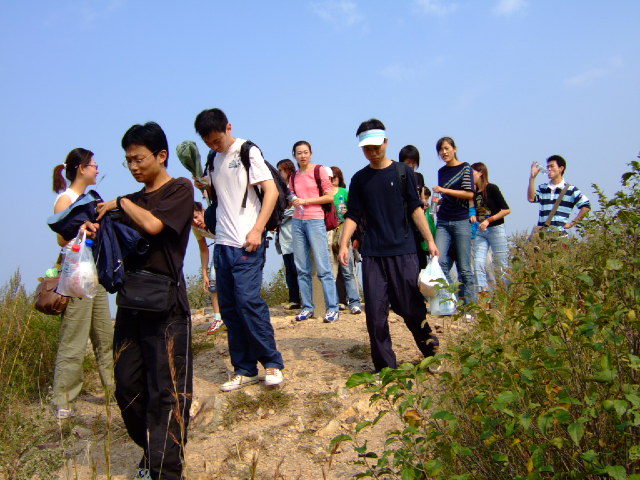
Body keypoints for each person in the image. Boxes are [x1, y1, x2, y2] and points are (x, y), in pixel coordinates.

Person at [92, 122, 194, 480]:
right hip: (130, 304)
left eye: (139, 159)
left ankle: (165, 470)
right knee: (128, 387)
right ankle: (151, 452)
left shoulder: (180, 189)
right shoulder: (130, 202)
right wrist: (96, 227)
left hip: (167, 307)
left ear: (161, 155)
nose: (134, 167)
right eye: (129, 161)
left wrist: (121, 203)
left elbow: (153, 226)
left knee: (168, 391)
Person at [338, 119, 440, 372]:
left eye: (376, 146)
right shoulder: (359, 179)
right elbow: (353, 214)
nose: (372, 152)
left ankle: (431, 352)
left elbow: (415, 209)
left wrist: (429, 240)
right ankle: (385, 368)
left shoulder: (403, 173)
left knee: (411, 309)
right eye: (367, 149)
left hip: (404, 251)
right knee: (375, 314)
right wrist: (344, 244)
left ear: (386, 142)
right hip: (373, 254)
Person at [194, 108, 285, 391]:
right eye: (208, 142)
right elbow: (220, 196)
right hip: (222, 244)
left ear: (228, 128)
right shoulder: (213, 159)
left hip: (247, 242)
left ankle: (272, 363)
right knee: (230, 309)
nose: (214, 146)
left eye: (217, 140)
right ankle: (244, 369)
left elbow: (271, 191)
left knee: (248, 302)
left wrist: (258, 229)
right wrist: (204, 185)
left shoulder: (247, 151)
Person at [50, 148, 114, 420]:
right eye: (93, 165)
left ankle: (114, 390)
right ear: (81, 168)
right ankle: (64, 400)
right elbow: (62, 239)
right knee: (74, 339)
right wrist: (83, 230)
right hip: (77, 277)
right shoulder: (65, 199)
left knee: (105, 336)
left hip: (95, 275)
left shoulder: (92, 199)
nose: (97, 169)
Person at [289, 141, 340, 323]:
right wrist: (294, 198)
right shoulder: (293, 176)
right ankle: (307, 307)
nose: (302, 156)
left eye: (305, 152)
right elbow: (291, 194)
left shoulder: (319, 170)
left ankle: (332, 308)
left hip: (315, 220)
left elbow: (329, 196)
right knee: (302, 268)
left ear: (311, 154)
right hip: (297, 221)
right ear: (294, 155)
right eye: (299, 153)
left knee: (323, 267)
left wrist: (305, 201)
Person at [433, 136, 476, 308]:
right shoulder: (441, 172)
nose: (444, 152)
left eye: (446, 148)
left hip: (461, 220)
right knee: (439, 262)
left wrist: (444, 190)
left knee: (464, 267)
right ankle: (452, 301)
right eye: (441, 150)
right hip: (443, 220)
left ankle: (469, 306)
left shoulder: (465, 167)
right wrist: (439, 200)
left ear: (454, 149)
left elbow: (469, 194)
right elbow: (448, 196)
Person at [470, 162, 511, 297]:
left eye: (472, 172)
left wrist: (489, 220)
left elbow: (506, 210)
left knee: (501, 265)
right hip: (481, 232)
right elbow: (480, 211)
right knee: (478, 263)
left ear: (481, 173)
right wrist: (475, 217)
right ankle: (484, 297)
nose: (470, 176)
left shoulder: (492, 188)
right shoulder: (474, 193)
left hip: (496, 229)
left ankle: (505, 296)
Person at [528, 155, 591, 234]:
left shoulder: (571, 190)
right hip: (542, 234)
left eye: (552, 166)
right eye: (548, 167)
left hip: (560, 235)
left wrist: (573, 223)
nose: (549, 169)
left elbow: (586, 207)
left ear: (561, 168)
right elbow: (531, 199)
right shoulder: (543, 188)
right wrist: (532, 178)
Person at [328, 166, 362, 314]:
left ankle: (354, 301)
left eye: (335, 177)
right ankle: (334, 301)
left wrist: (355, 236)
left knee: (347, 268)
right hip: (328, 230)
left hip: (343, 228)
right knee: (331, 270)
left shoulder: (344, 192)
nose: (333, 179)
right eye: (330, 177)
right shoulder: (325, 193)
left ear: (340, 178)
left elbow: (354, 213)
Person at [192, 201, 223, 334]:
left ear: (203, 211)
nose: (196, 221)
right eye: (192, 220)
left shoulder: (215, 216)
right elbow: (203, 249)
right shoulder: (196, 228)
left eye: (196, 216)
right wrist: (204, 273)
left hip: (234, 243)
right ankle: (218, 318)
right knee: (213, 281)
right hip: (219, 245)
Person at [276, 159, 300, 310]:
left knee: (299, 268)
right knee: (289, 268)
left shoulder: (295, 187)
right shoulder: (279, 189)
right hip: (284, 235)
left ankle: (306, 298)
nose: (279, 173)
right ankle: (294, 299)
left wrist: (280, 216)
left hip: (295, 232)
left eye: (281, 170)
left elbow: (296, 207)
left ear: (288, 170)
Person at [400, 145, 429, 270]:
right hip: (404, 221)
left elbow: (422, 196)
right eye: (408, 163)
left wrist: (423, 203)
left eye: (413, 163)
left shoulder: (419, 177)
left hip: (417, 220)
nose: (411, 166)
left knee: (420, 254)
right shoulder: (398, 176)